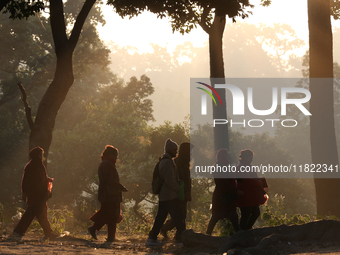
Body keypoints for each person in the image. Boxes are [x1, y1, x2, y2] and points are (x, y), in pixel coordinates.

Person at [11, 147, 58, 239]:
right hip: (36, 194)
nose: (41, 156)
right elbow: (26, 181)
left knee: (36, 213)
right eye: (40, 155)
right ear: (36, 155)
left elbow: (41, 179)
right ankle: (47, 232)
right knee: (37, 213)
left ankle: (19, 231)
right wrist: (25, 193)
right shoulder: (32, 166)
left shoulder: (37, 165)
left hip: (39, 194)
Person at [146, 138, 185, 246]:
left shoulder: (165, 161)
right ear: (170, 150)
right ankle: (182, 240)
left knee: (161, 217)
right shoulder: (167, 163)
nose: (176, 152)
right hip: (170, 195)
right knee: (179, 217)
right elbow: (169, 180)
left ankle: (152, 238)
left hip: (165, 195)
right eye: (174, 150)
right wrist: (178, 189)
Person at [88, 145, 128, 242]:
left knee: (111, 214)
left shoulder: (106, 163)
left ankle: (111, 237)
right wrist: (120, 187)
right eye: (115, 156)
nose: (116, 158)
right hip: (110, 194)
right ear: (110, 155)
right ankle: (94, 228)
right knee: (112, 214)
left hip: (108, 194)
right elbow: (110, 180)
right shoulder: (107, 164)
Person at [160, 142, 193, 239]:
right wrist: (184, 192)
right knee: (180, 215)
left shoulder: (184, 162)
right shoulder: (179, 162)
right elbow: (180, 180)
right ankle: (175, 234)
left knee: (181, 215)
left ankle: (176, 234)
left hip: (181, 192)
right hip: (178, 193)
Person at [206, 149, 240, 235]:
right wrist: (235, 191)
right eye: (227, 155)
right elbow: (223, 183)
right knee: (217, 217)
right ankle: (207, 235)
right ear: (222, 157)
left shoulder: (224, 166)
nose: (228, 157)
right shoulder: (220, 167)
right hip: (222, 196)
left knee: (232, 216)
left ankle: (239, 234)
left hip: (224, 196)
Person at [236, 149, 268, 230]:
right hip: (245, 195)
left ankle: (246, 229)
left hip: (251, 195)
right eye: (250, 157)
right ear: (245, 157)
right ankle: (243, 232)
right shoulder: (241, 167)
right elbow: (247, 180)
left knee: (255, 213)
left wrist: (259, 180)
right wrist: (260, 183)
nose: (251, 159)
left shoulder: (248, 166)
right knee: (246, 214)